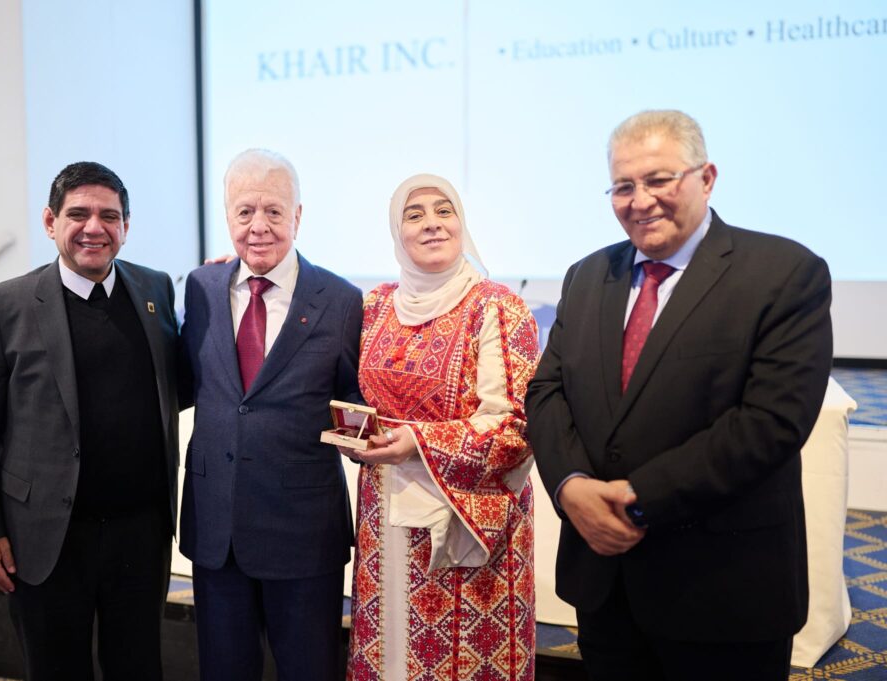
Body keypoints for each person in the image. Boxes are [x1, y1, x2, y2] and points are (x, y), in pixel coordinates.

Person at [526, 110, 833, 680]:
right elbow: (547, 391)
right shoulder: (586, 276)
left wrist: (637, 498)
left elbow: (771, 423)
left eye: (659, 179)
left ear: (706, 178)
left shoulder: (784, 273)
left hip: (723, 591)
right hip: (606, 588)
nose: (640, 201)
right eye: (623, 186)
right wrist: (571, 487)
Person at [0, 161, 182, 681]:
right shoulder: (5, 305)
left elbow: (177, 383)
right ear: (50, 221)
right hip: (44, 539)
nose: (94, 228)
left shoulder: (155, 289)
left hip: (140, 535)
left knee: (139, 668)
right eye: (78, 214)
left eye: (109, 216)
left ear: (126, 226)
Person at [344, 174, 539, 681]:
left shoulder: (497, 307)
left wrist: (419, 441)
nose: (431, 223)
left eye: (443, 210)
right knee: (389, 652)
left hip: (466, 525)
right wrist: (355, 435)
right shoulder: (374, 306)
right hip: (384, 516)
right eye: (414, 215)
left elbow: (516, 426)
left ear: (461, 223)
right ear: (397, 231)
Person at [179, 148, 362, 681]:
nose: (258, 226)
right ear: (227, 216)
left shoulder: (342, 300)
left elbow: (355, 403)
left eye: (274, 211)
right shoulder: (202, 287)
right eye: (244, 211)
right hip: (217, 530)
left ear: (297, 216)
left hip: (303, 534)